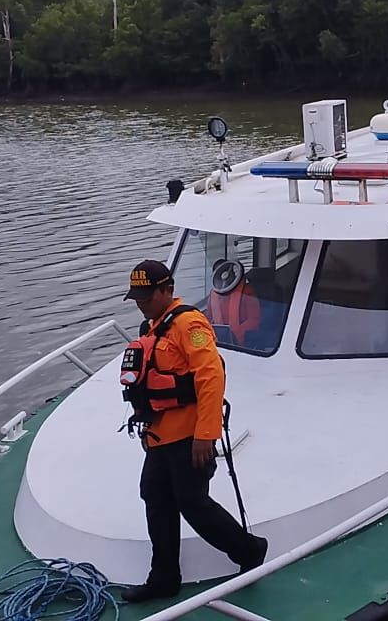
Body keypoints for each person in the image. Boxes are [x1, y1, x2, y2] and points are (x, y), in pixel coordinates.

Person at [119, 259, 267, 603]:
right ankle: (164, 576)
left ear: (166, 290)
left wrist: (206, 434)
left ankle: (249, 551)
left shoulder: (189, 324)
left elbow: (211, 377)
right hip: (159, 436)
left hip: (189, 437)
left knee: (192, 503)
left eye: (147, 296)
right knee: (155, 498)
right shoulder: (152, 326)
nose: (141, 302)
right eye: (137, 297)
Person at [206, 258, 262, 347]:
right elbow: (208, 319)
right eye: (218, 274)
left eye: (225, 272)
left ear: (232, 273)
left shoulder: (247, 292)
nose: (223, 277)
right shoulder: (212, 295)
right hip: (218, 342)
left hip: (244, 342)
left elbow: (254, 319)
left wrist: (236, 332)